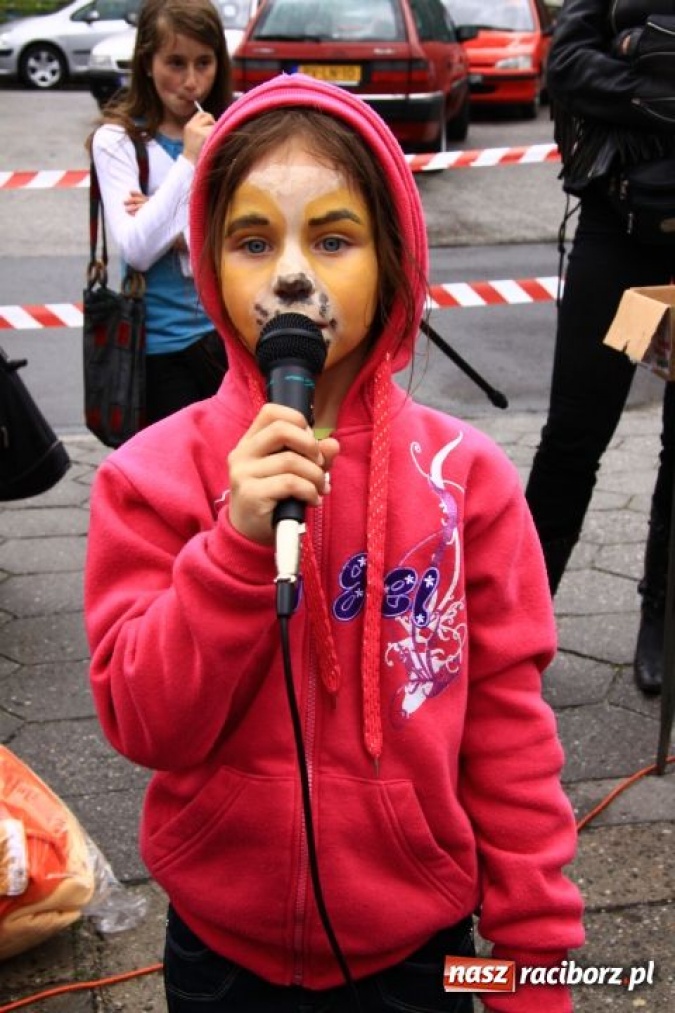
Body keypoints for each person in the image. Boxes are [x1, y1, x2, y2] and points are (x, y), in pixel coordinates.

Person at [85, 75, 584, 1012]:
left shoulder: (464, 480)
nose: (290, 276)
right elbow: (143, 722)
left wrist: (534, 966)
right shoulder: (150, 476)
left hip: (417, 944)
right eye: (252, 241)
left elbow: (510, 732)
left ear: (394, 262)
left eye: (332, 238)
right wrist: (232, 549)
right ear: (206, 263)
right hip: (221, 951)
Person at [525, 0, 675, 696]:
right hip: (619, 241)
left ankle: (660, 621)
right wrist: (652, 91)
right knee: (573, 437)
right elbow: (565, 67)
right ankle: (509, 625)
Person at [87, 0, 231, 425]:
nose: (191, 82)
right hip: (159, 350)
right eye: (175, 63)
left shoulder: (230, 130)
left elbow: (249, 237)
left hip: (229, 339)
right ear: (147, 62)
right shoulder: (117, 140)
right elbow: (137, 248)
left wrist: (165, 216)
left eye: (204, 63)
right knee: (174, 483)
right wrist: (188, 161)